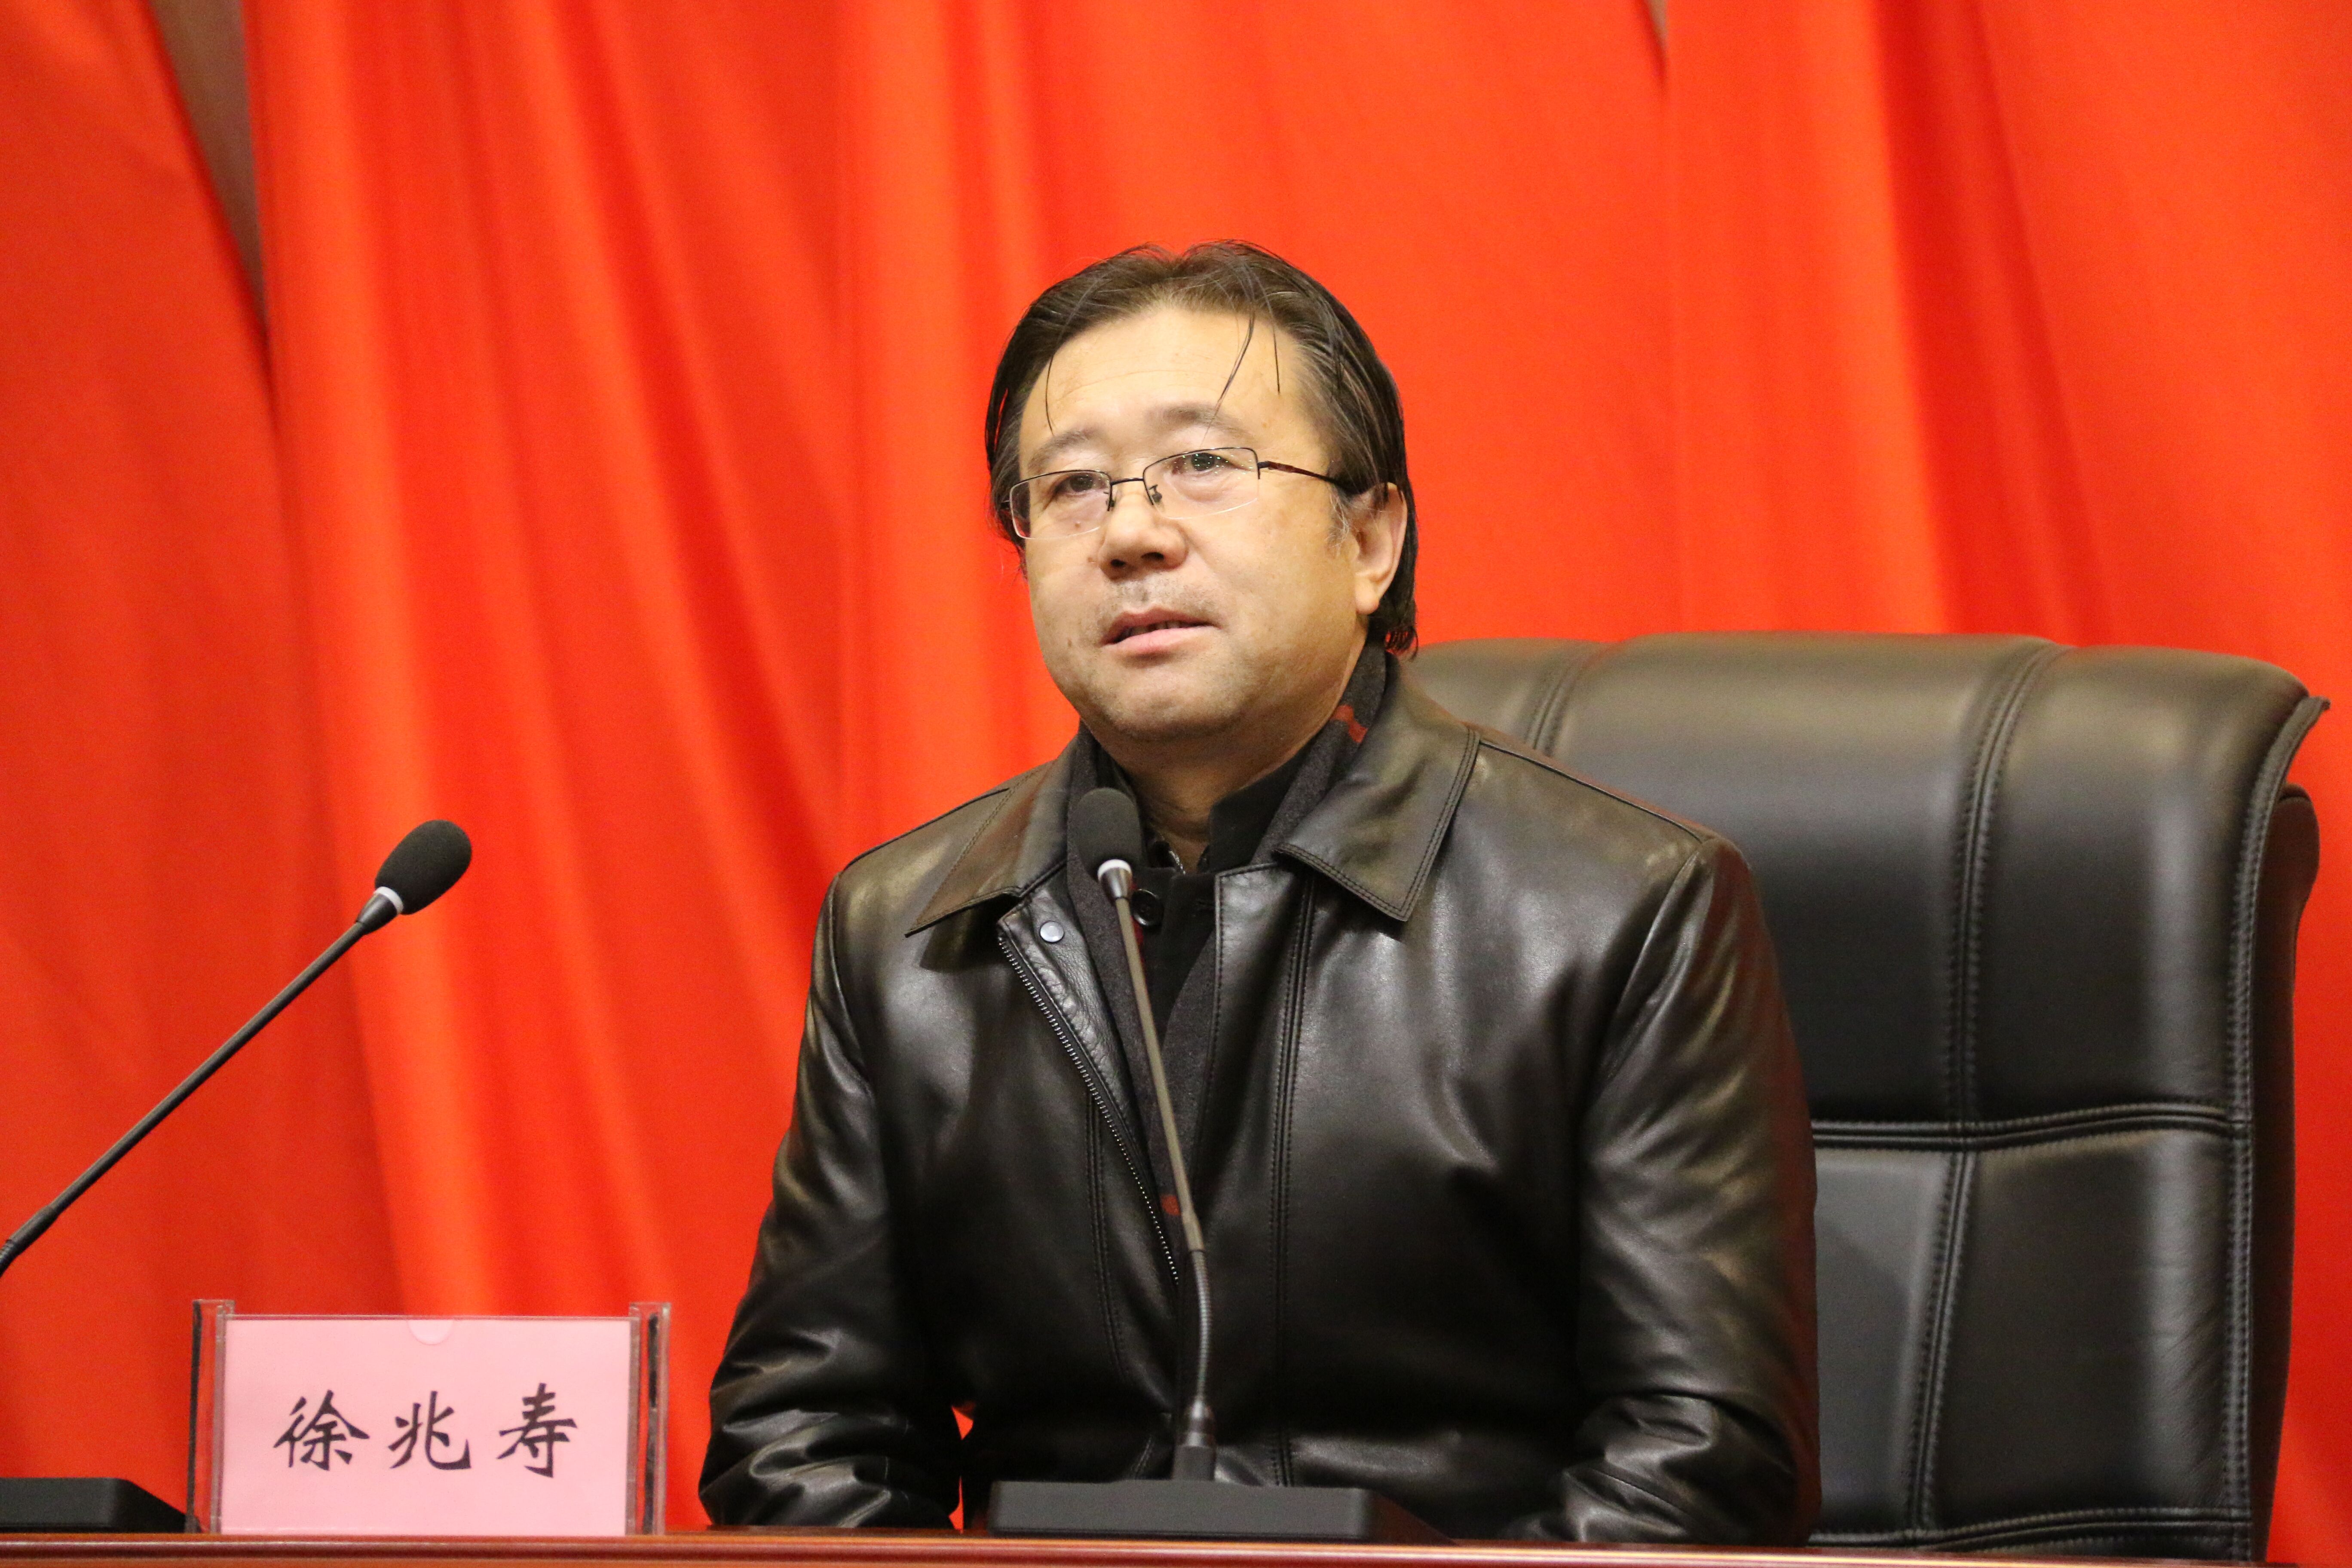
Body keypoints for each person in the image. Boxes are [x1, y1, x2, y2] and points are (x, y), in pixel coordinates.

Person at [702, 242, 1818, 1542]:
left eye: (1204, 464)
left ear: (1372, 538)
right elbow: (803, 1440)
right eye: (1071, 487)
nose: (1132, 533)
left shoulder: (1625, 912)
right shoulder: (908, 933)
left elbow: (1699, 1473)